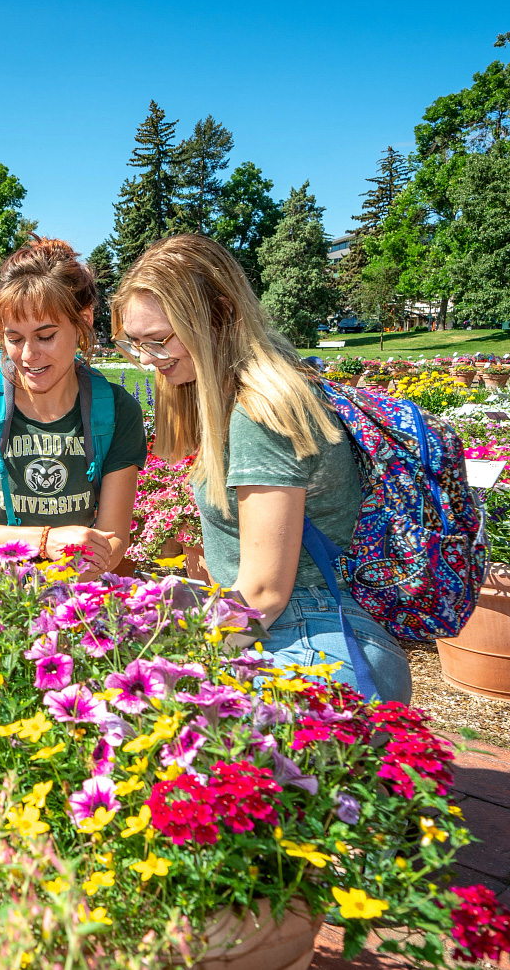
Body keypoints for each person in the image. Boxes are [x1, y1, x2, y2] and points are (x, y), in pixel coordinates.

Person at [111, 234, 410, 702]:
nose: (148, 360)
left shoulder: (256, 412)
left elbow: (264, 593)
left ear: (222, 315)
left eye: (160, 340)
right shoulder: (257, 382)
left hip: (307, 640)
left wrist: (176, 667)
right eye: (135, 344)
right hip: (309, 629)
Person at [0, 237, 145, 575]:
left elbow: (113, 536)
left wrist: (80, 572)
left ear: (83, 320)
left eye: (45, 336)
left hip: (74, 588)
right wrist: (43, 541)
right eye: (14, 339)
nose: (28, 356)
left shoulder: (117, 410)